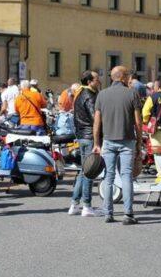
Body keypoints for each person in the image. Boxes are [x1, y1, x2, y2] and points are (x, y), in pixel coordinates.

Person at [92, 66, 142, 225]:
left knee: (109, 176)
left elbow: (96, 122)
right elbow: (138, 122)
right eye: (128, 75)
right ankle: (128, 214)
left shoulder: (102, 94)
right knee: (127, 176)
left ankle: (108, 213)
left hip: (108, 140)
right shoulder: (132, 93)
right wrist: (139, 142)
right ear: (123, 77)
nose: (129, 78)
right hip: (127, 140)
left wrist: (96, 143)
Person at [68, 70, 101, 217]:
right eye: (96, 79)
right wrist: (99, 137)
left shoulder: (79, 94)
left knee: (83, 170)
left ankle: (74, 204)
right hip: (89, 136)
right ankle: (87, 206)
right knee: (89, 172)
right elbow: (96, 118)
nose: (98, 81)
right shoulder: (89, 95)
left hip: (82, 135)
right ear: (89, 82)